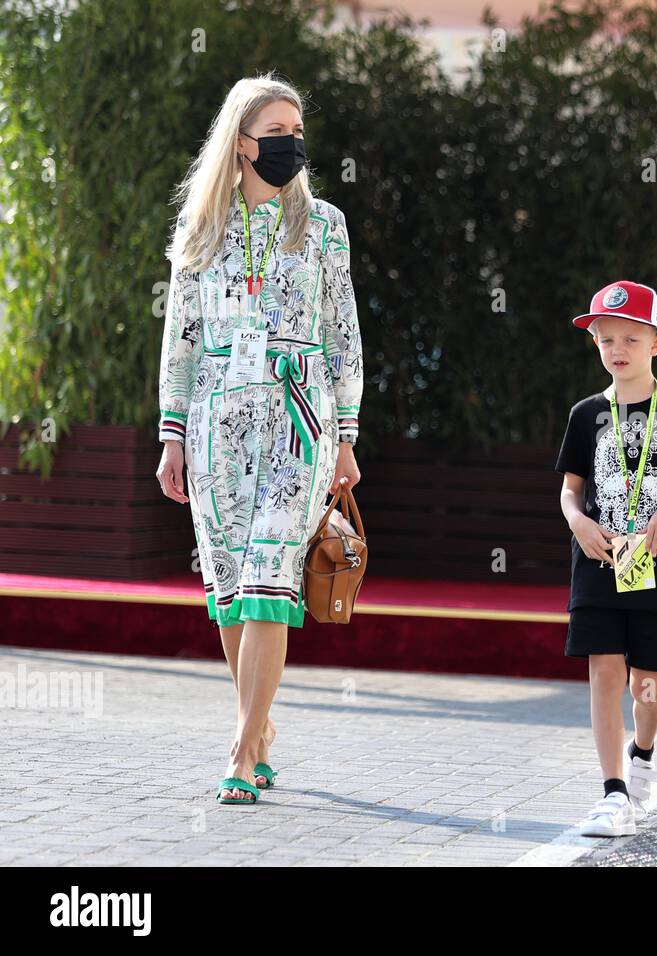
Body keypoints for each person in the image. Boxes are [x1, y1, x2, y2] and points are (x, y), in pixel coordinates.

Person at [155, 76, 364, 804]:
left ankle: (242, 753)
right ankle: (262, 728)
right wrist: (172, 433)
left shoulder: (325, 226)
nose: (291, 143)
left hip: (299, 422)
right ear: (241, 142)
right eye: (276, 130)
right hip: (216, 425)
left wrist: (346, 434)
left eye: (297, 129)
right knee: (232, 594)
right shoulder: (199, 230)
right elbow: (179, 340)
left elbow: (343, 335)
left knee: (273, 582)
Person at [556, 280, 657, 837]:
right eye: (605, 340)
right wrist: (577, 521)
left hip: (654, 565)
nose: (616, 349)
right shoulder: (585, 414)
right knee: (603, 672)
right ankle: (612, 791)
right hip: (598, 561)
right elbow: (570, 491)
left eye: (629, 338)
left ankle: (642, 753)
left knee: (647, 685)